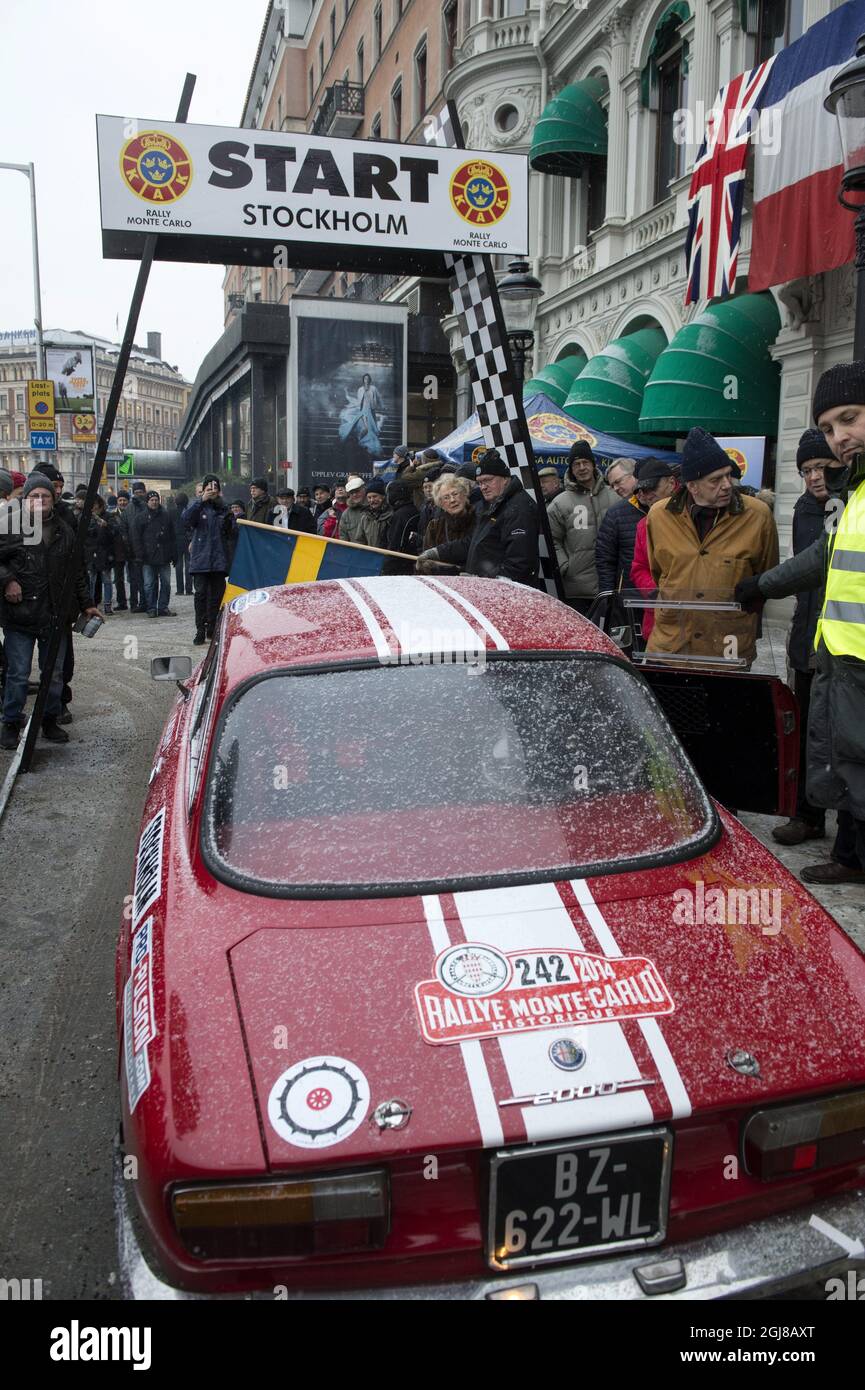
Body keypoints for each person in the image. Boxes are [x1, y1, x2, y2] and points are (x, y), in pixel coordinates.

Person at [735, 363, 865, 883]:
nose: (839, 437)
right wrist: (762, 586)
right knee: (847, 761)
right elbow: (821, 558)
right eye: (830, 427)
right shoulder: (853, 495)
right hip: (841, 655)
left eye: (849, 418)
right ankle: (853, 858)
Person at [646, 427, 778, 664]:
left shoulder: (758, 516)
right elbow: (659, 572)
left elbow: (767, 577)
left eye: (728, 475)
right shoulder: (659, 516)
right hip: (672, 645)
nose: (727, 485)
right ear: (692, 486)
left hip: (727, 647)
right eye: (715, 480)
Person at [761, 430, 836, 847]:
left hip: (844, 644)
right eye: (806, 469)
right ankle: (808, 815)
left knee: (838, 736)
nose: (813, 477)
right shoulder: (805, 510)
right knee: (807, 731)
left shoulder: (851, 507)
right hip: (807, 638)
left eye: (821, 467)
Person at [0, 474, 99, 749]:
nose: (40, 500)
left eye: (45, 496)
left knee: (54, 674)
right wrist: (8, 580)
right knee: (18, 673)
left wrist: (87, 603)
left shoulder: (63, 530)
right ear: (25, 499)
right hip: (20, 615)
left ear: (53, 499)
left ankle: (49, 719)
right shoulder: (10, 526)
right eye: (34, 496)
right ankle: (10, 721)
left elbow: (77, 571)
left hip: (55, 616)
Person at [418, 450, 538, 585]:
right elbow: (473, 542)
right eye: (480, 482)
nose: (483, 487)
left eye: (488, 480)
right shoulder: (491, 504)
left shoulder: (518, 509)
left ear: (505, 479)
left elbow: (519, 564)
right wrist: (437, 552)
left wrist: (480, 580)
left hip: (507, 594)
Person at [547, 441, 615, 613]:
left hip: (610, 585)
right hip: (576, 590)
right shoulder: (560, 503)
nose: (582, 467)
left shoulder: (615, 497)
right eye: (576, 464)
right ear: (571, 469)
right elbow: (551, 539)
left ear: (593, 464)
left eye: (585, 462)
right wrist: (565, 566)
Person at [596, 458, 676, 595]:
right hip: (630, 597)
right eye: (612, 485)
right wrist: (608, 598)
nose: (615, 488)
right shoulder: (616, 513)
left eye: (618, 482)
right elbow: (605, 560)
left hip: (674, 595)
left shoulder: (681, 510)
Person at [183, 475, 237, 645]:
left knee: (217, 596)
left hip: (218, 560)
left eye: (215, 488)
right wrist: (202, 500)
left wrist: (230, 518)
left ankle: (212, 627)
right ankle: (200, 629)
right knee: (200, 596)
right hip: (200, 560)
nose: (212, 491)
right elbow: (185, 520)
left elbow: (233, 532)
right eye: (209, 488)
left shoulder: (224, 508)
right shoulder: (197, 506)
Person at [416, 474, 476, 568]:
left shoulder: (479, 519)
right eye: (446, 497)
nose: (452, 500)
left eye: (455, 494)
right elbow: (426, 564)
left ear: (465, 495)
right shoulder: (434, 527)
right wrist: (429, 566)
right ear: (441, 504)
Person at [139, 491, 180, 617]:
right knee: (148, 584)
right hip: (147, 556)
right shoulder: (141, 517)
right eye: (152, 500)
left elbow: (173, 536)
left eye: (156, 500)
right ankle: (151, 608)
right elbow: (136, 538)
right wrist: (139, 554)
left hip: (164, 555)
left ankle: (163, 607)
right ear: (147, 502)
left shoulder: (166, 516)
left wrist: (174, 554)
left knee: (166, 583)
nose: (154, 502)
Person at [338, 372, 385, 456]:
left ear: (369, 380)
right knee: (363, 426)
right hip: (364, 409)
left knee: (371, 428)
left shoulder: (373, 388)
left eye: (367, 379)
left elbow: (378, 397)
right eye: (365, 379)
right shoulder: (360, 389)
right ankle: (361, 441)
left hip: (371, 410)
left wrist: (382, 405)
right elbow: (359, 401)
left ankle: (366, 441)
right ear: (363, 380)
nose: (366, 380)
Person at [85, 495, 118, 613]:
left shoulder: (108, 516)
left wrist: (106, 526)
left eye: (94, 503)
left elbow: (115, 532)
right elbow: (84, 535)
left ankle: (108, 605)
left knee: (107, 580)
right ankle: (91, 605)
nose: (93, 506)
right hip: (91, 553)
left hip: (105, 554)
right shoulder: (86, 517)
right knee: (91, 581)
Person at [168, 491, 190, 596]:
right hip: (188, 540)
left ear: (176, 502)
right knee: (189, 564)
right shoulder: (189, 511)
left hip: (176, 540)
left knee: (179, 565)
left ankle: (180, 589)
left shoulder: (171, 512)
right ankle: (189, 589)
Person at [361, 477, 392, 548]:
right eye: (369, 497)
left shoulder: (391, 515)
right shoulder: (365, 517)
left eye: (375, 496)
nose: (372, 500)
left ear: (383, 496)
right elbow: (360, 540)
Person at [113, 492, 131, 609]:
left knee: (134, 577)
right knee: (118, 578)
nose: (122, 502)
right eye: (120, 500)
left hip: (131, 550)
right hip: (117, 550)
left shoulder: (132, 514)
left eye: (124, 500)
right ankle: (122, 602)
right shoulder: (112, 515)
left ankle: (135, 601)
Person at [339, 477, 370, 543]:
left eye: (357, 491)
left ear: (364, 489)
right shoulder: (346, 514)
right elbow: (343, 538)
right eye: (351, 493)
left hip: (377, 552)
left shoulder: (374, 508)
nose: (354, 495)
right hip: (355, 552)